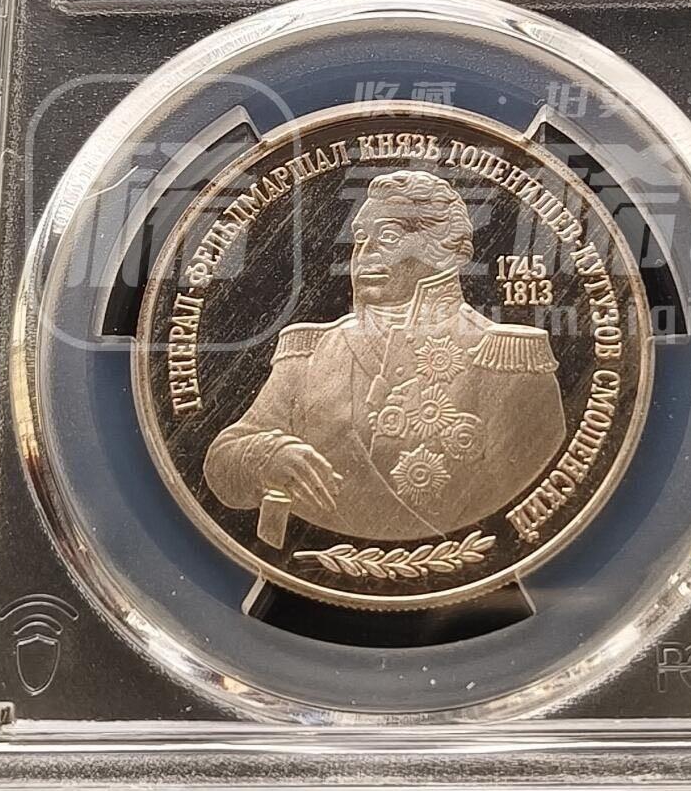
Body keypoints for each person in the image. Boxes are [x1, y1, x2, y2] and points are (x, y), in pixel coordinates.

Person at [204, 169, 565, 542]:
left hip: (467, 557)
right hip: (300, 558)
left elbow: (525, 496)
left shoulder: (507, 364)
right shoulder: (313, 352)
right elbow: (223, 458)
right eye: (361, 238)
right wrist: (265, 456)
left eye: (388, 237)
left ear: (446, 250)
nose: (363, 255)